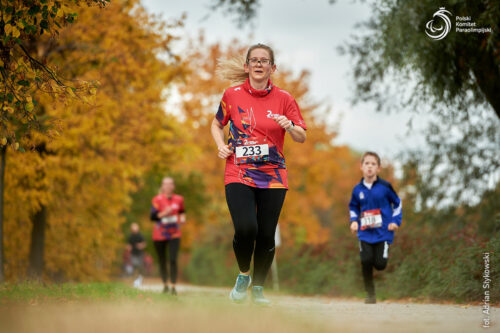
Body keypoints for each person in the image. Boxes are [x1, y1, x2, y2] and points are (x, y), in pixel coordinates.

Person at [211, 43, 307, 305]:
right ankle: (244, 274)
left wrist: (290, 126)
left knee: (266, 234)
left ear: (272, 67)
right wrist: (221, 145)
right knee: (246, 228)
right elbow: (217, 123)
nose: (258, 64)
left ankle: (259, 289)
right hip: (239, 170)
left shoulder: (285, 99)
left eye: (264, 60)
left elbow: (302, 136)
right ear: (246, 66)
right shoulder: (232, 95)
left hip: (274, 174)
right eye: (254, 60)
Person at [348, 152, 402, 304]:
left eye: (373, 164)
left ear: (378, 168)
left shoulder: (385, 187)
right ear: (361, 167)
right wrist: (353, 221)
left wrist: (395, 221)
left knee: (380, 264)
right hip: (365, 232)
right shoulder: (357, 190)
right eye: (367, 163)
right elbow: (353, 206)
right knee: (365, 260)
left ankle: (379, 257)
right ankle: (370, 294)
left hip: (383, 232)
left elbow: (398, 203)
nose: (370, 167)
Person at [150, 177, 186, 295]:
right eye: (165, 184)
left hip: (175, 233)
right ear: (162, 187)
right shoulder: (157, 199)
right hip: (159, 234)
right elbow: (152, 217)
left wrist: (183, 218)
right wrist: (164, 213)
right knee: (162, 260)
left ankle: (173, 286)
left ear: (173, 186)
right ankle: (165, 284)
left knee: (173, 259)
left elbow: (181, 211)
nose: (168, 186)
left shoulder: (179, 199)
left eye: (170, 184)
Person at [126, 223, 146, 288]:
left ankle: (139, 278)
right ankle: (135, 280)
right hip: (133, 253)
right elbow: (128, 245)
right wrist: (128, 248)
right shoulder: (130, 236)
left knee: (139, 266)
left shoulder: (140, 236)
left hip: (139, 253)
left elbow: (144, 243)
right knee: (134, 265)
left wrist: (141, 245)